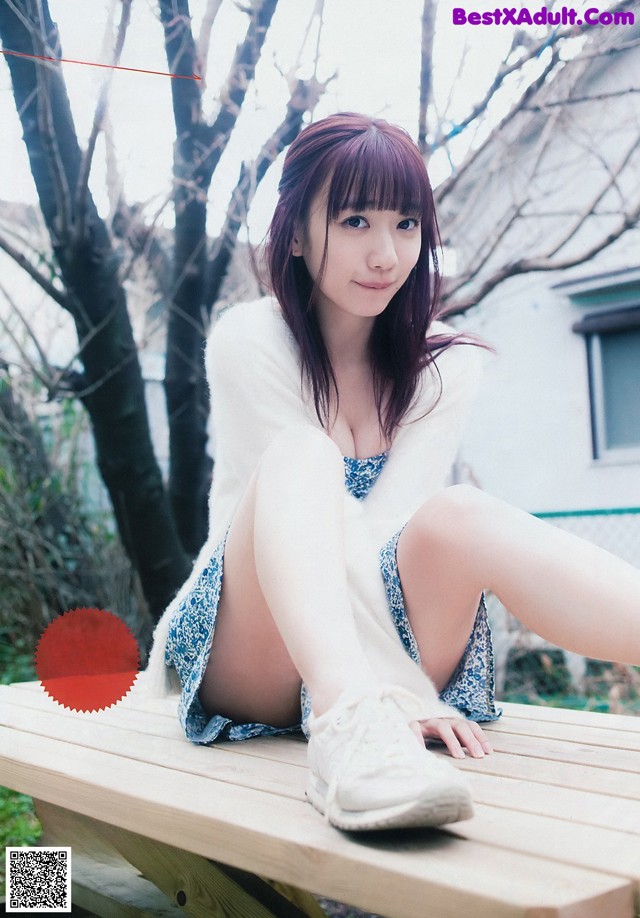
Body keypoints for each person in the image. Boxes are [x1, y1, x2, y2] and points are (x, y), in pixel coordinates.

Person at [146, 112, 640, 833]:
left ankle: (361, 710)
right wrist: (395, 691)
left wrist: (404, 684)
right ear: (292, 232)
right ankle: (350, 726)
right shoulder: (251, 340)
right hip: (252, 648)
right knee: (303, 456)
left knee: (460, 512)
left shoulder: (442, 366)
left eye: (406, 223)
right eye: (354, 220)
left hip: (385, 637)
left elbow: (389, 525)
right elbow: (331, 535)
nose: (385, 253)